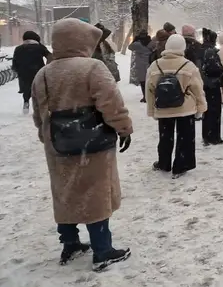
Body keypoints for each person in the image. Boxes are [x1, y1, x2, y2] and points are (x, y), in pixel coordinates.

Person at [30, 18, 133, 271]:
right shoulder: (92, 67)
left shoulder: (44, 72)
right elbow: (111, 104)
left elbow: (38, 112)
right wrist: (124, 128)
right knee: (95, 192)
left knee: (65, 193)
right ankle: (103, 250)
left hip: (58, 144)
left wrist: (47, 136)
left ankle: (70, 243)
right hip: (93, 142)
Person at [146, 34, 207, 178]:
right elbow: (198, 89)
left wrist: (151, 110)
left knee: (165, 137)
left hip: (163, 108)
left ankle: (164, 163)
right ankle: (181, 165)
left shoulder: (155, 65)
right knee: (185, 137)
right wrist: (201, 107)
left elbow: (149, 90)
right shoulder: (188, 65)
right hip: (185, 108)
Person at [11, 30, 51, 113]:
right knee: (40, 89)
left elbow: (15, 61)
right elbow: (50, 56)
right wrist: (47, 67)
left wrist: (17, 69)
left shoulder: (18, 48)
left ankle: (26, 103)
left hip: (23, 72)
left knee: (26, 89)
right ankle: (40, 107)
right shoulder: (40, 47)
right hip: (38, 71)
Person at [200, 29, 223, 146]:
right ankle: (214, 136)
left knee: (206, 110)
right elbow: (216, 69)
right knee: (215, 110)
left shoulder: (199, 49)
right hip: (213, 84)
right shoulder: (212, 51)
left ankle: (206, 135)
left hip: (203, 83)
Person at [128, 30, 153, 103]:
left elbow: (130, 47)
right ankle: (150, 96)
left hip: (141, 64)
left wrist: (135, 40)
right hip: (149, 63)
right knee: (149, 81)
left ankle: (145, 97)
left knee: (143, 81)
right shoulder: (150, 42)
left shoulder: (137, 44)